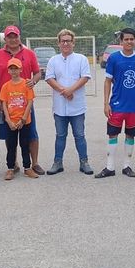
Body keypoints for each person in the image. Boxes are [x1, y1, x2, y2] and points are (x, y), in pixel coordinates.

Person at [0, 25, 45, 175]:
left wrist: (33, 81)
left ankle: (34, 163)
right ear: (5, 39)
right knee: (9, 133)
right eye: (9, 37)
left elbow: (37, 73)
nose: (13, 39)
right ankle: (13, 164)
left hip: (25, 102)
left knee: (31, 133)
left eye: (15, 36)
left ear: (19, 37)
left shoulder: (29, 53)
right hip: (6, 102)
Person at [95, 28, 135, 179]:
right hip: (117, 104)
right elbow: (107, 81)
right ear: (121, 41)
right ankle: (110, 167)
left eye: (132, 39)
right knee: (113, 134)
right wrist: (106, 103)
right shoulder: (114, 58)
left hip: (134, 106)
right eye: (126, 39)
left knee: (130, 135)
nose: (129, 42)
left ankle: (126, 166)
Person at [45, 29, 93, 175]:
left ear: (73, 43)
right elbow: (49, 78)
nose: (65, 43)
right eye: (63, 41)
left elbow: (85, 77)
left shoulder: (81, 59)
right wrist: (64, 91)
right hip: (59, 107)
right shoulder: (53, 60)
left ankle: (84, 162)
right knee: (60, 136)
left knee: (80, 135)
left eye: (68, 41)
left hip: (77, 106)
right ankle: (57, 162)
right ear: (59, 43)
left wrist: (71, 90)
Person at [0, 58, 38, 180]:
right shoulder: (6, 86)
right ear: (8, 71)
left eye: (16, 68)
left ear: (21, 69)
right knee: (11, 146)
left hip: (24, 121)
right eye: (11, 69)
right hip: (11, 121)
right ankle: (11, 168)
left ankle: (27, 168)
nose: (14, 71)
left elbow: (30, 102)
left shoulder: (26, 84)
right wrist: (8, 120)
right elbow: (4, 104)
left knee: (25, 145)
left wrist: (24, 119)